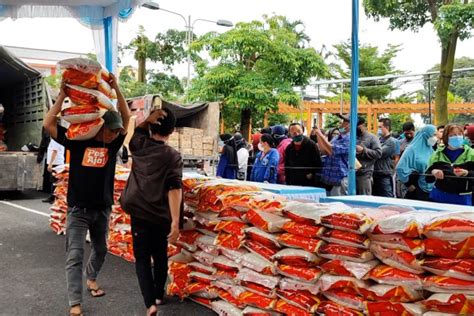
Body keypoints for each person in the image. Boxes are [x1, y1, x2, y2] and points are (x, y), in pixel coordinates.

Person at [43, 75, 130, 316]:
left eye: (117, 132)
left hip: (102, 209)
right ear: (101, 128)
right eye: (112, 131)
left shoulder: (112, 146)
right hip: (77, 210)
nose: (116, 134)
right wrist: (62, 95)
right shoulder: (77, 142)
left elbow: (127, 117)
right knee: (74, 256)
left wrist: (117, 89)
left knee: (101, 249)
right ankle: (75, 302)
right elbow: (49, 123)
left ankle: (91, 277)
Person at [120, 108, 182, 316]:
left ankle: (150, 304)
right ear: (172, 131)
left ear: (152, 127)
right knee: (160, 254)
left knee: (143, 259)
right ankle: (158, 294)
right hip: (161, 215)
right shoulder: (172, 156)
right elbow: (174, 189)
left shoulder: (139, 146)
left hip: (139, 212)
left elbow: (136, 132)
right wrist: (175, 222)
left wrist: (148, 119)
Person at [425, 124, 474, 206]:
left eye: (459, 134)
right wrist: (434, 172)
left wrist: (467, 173)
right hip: (439, 197)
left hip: (462, 199)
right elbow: (428, 176)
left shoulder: (471, 153)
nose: (457, 137)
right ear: (446, 138)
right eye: (452, 135)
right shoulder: (437, 154)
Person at [396, 125, 436, 201]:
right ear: (426, 135)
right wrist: (409, 184)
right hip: (417, 190)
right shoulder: (412, 149)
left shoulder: (431, 149)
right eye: (433, 135)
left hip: (431, 189)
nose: (435, 137)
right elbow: (400, 168)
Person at [315, 115, 350, 196]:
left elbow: (331, 150)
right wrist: (318, 136)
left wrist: (320, 135)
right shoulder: (337, 137)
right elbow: (324, 151)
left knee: (338, 205)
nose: (341, 123)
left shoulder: (350, 139)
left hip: (339, 179)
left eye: (344, 121)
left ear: (349, 125)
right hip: (328, 178)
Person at [285, 122, 322, 187]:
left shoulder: (311, 145)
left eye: (298, 131)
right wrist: (288, 180)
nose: (296, 133)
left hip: (308, 183)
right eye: (293, 132)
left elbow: (318, 163)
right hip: (293, 182)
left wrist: (311, 173)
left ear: (303, 131)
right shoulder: (289, 148)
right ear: (289, 133)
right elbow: (287, 166)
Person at [355, 117, 382, 195]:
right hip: (351, 173)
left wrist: (363, 150)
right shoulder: (353, 136)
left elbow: (378, 153)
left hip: (364, 174)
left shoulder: (372, 138)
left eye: (358, 126)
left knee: (363, 198)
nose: (356, 129)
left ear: (364, 125)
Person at [373, 118, 398, 197]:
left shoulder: (392, 142)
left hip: (384, 175)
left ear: (386, 128)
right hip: (375, 174)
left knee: (387, 199)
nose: (378, 129)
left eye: (380, 127)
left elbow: (378, 153)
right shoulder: (378, 140)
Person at [42, 138, 65, 203]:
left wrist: (50, 163)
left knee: (55, 181)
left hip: (56, 163)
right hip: (57, 162)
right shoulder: (56, 140)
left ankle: (54, 198)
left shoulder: (56, 140)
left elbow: (55, 151)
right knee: (54, 181)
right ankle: (53, 197)